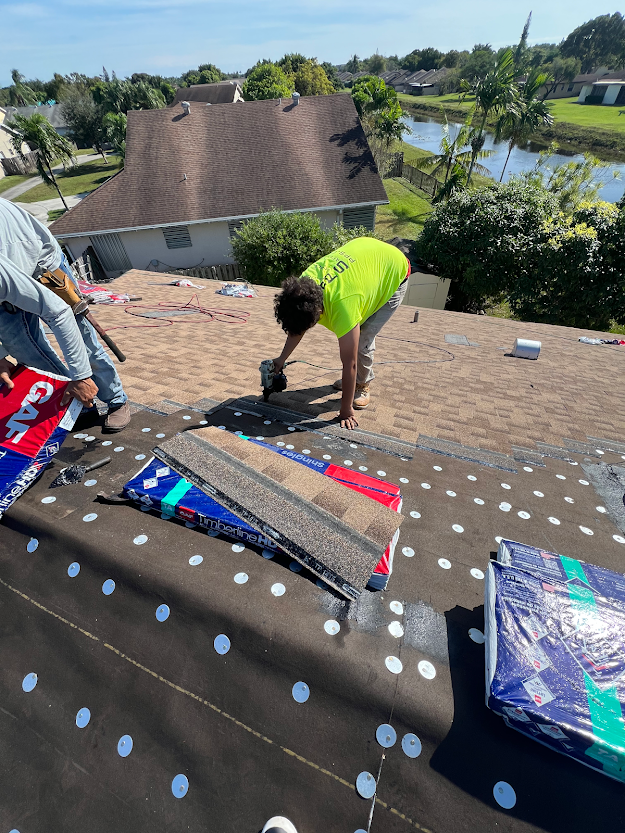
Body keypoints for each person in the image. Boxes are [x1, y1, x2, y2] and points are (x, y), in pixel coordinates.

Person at [0, 198, 130, 432]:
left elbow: (58, 312)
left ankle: (116, 399)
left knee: (82, 341)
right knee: (27, 353)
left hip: (41, 265)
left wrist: (80, 375)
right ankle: (79, 406)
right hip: (10, 274)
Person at [272, 237, 410, 430]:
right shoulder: (303, 286)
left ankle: (361, 385)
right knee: (354, 338)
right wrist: (281, 359)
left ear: (319, 312)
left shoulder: (343, 306)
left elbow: (350, 362)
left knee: (362, 339)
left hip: (395, 269)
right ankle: (351, 383)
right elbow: (298, 326)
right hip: (368, 255)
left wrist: (345, 410)